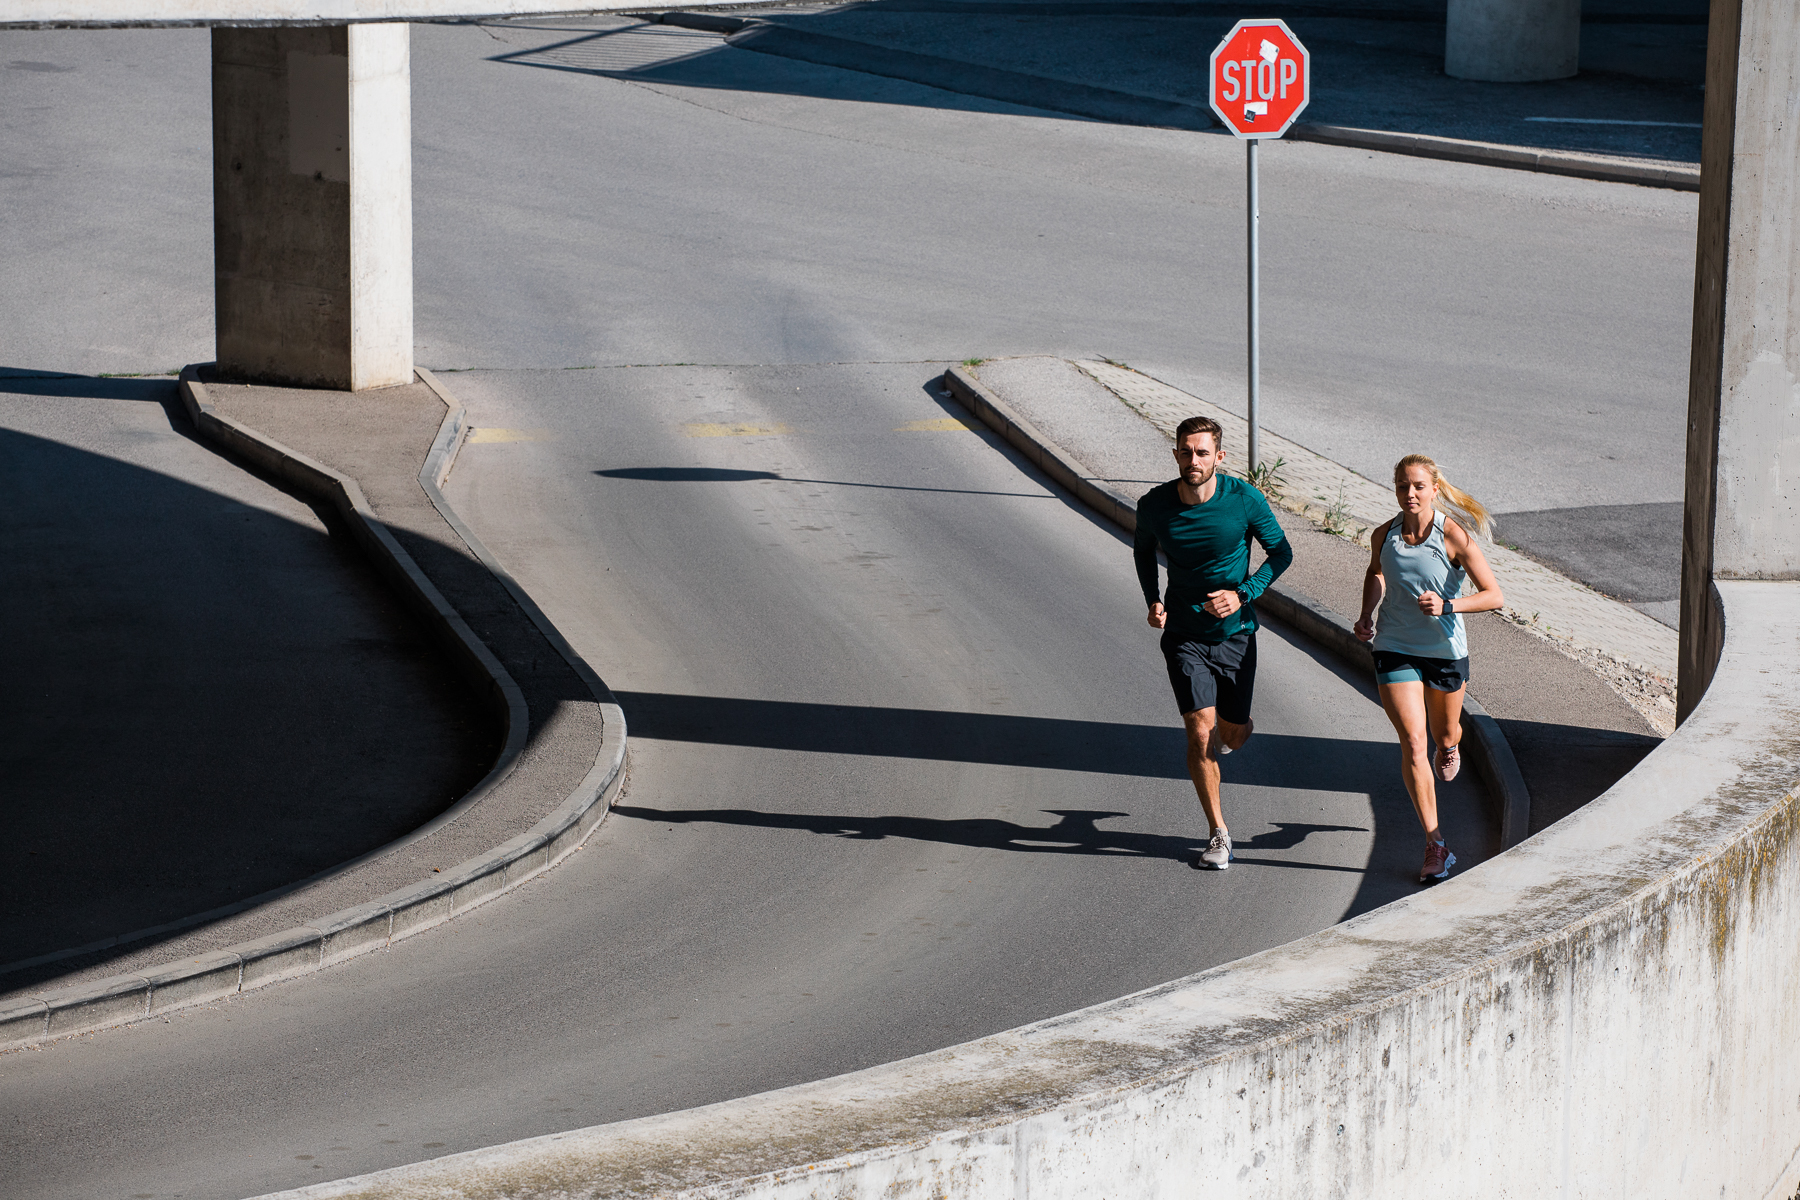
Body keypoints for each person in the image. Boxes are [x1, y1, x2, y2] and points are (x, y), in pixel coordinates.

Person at [1135, 416, 1292, 870]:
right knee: (1199, 731)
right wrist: (1152, 599)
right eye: (1186, 451)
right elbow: (1143, 549)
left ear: (1219, 457)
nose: (1193, 460)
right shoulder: (1155, 505)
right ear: (1176, 454)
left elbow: (1281, 552)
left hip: (1236, 634)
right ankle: (1218, 833)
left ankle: (1236, 728)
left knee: (1232, 736)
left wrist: (1242, 593)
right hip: (1183, 634)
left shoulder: (1244, 499)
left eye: (1202, 452)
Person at [1353, 454, 1504, 884]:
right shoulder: (1384, 535)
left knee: (1443, 735)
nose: (1410, 494)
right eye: (1403, 486)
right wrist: (1367, 614)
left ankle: (1451, 744)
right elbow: (1376, 573)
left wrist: (1447, 604)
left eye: (1418, 486)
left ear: (1434, 489)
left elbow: (1494, 595)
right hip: (1394, 647)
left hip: (1443, 651)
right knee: (1413, 743)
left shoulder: (1453, 535)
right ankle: (1436, 843)